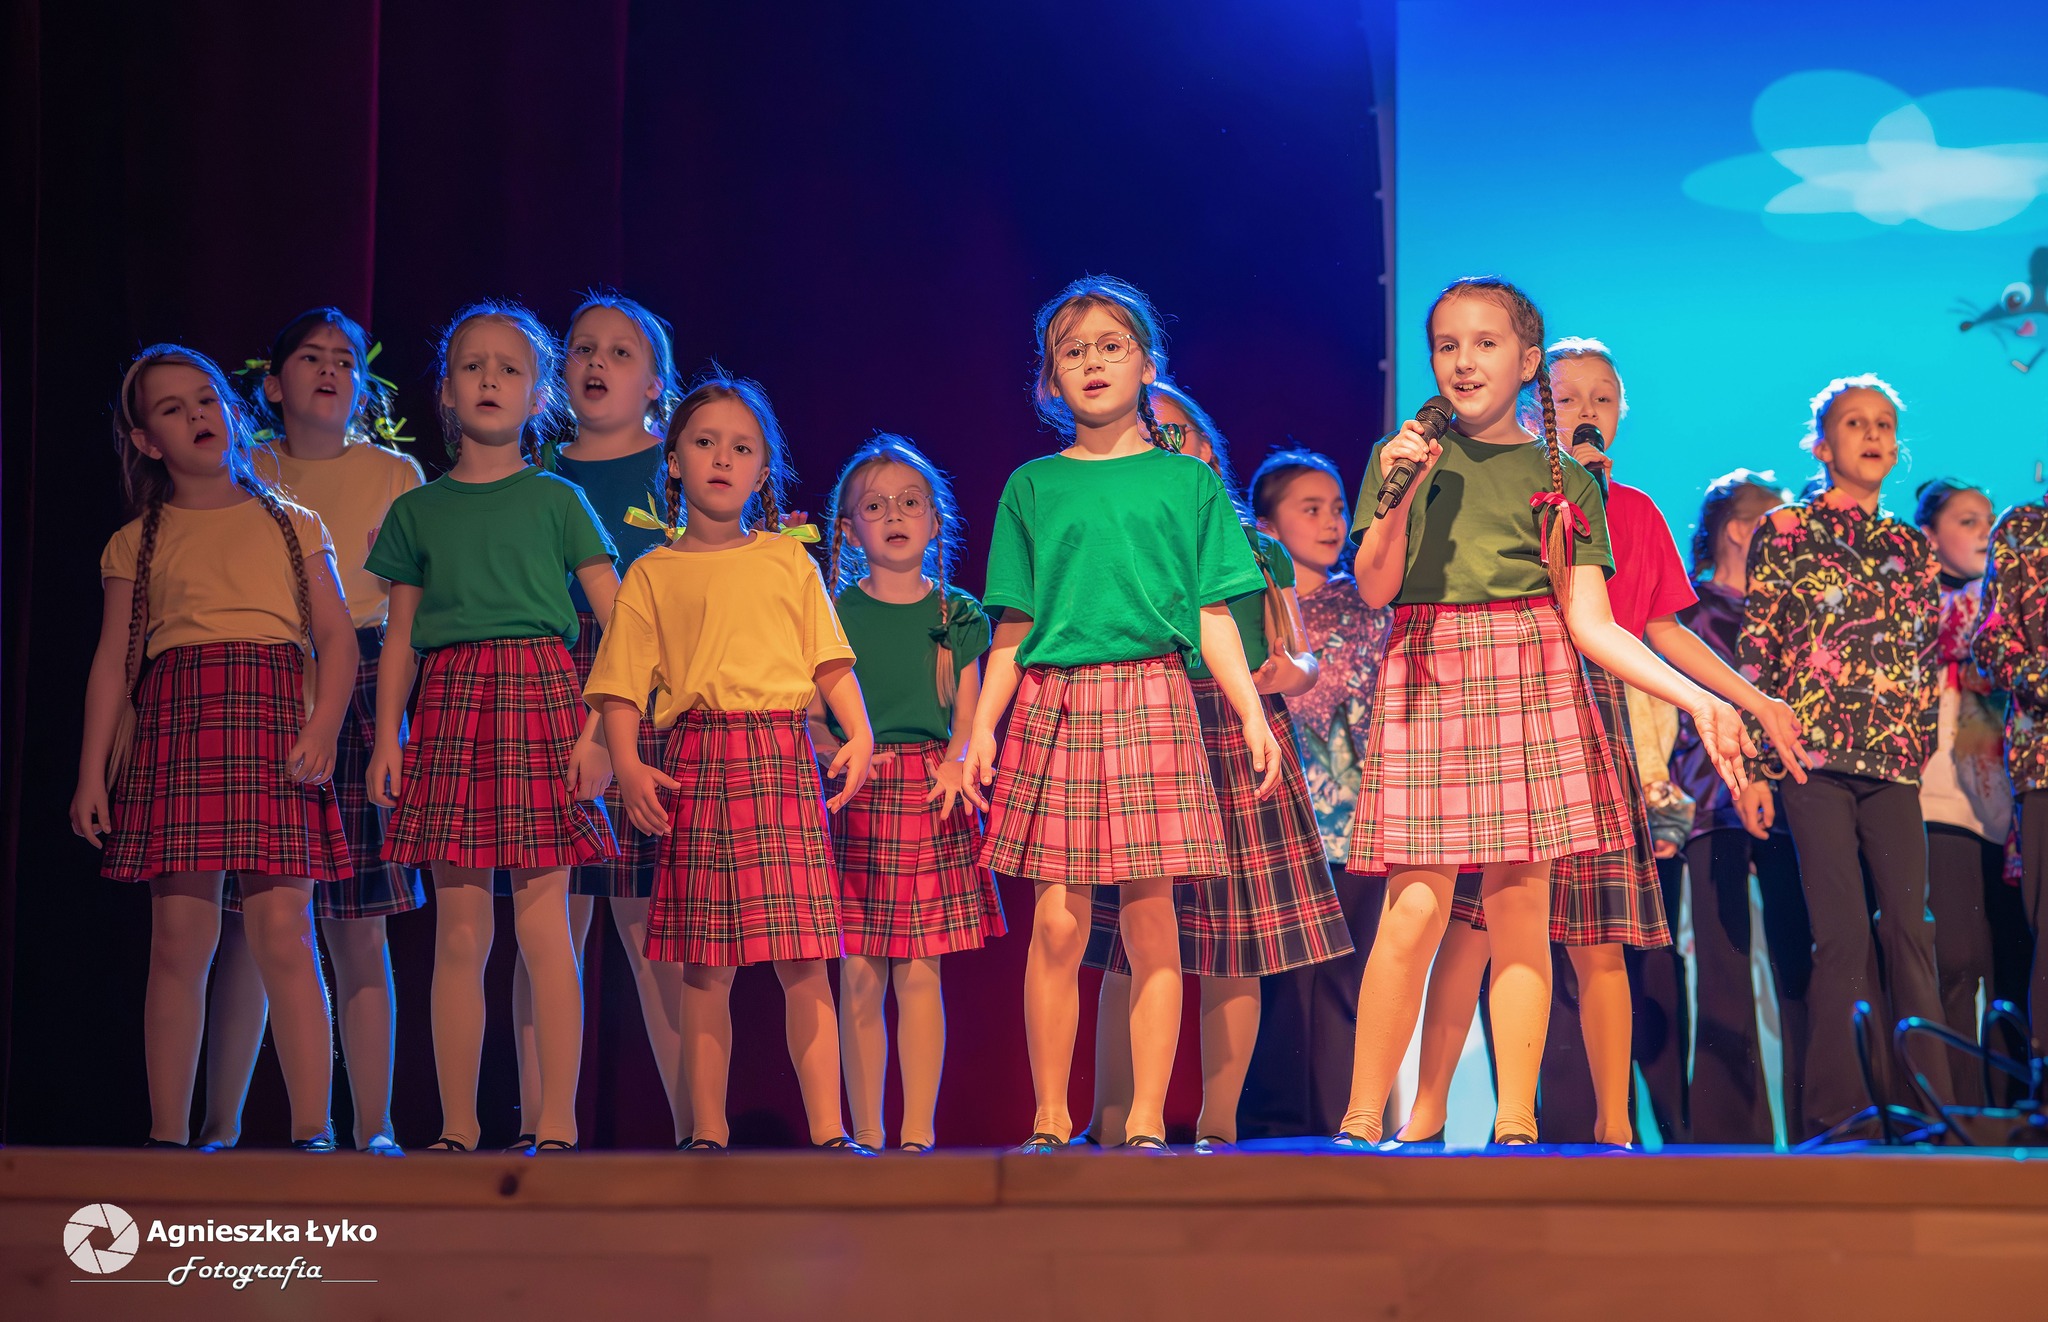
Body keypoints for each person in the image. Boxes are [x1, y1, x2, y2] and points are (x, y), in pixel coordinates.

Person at [961, 276, 1278, 1153]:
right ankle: (1049, 1116)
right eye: (1073, 351)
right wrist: (981, 726)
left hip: (1152, 696)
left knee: (1150, 921)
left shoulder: (1185, 482)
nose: (1093, 362)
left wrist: (1251, 713)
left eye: (1111, 346)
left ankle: (1143, 1120)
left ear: (1146, 364)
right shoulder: (1033, 486)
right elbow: (1013, 624)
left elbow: (1214, 614)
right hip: (1056, 704)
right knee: (1057, 923)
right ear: (1048, 379)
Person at [72, 344, 353, 1149]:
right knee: (178, 940)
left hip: (271, 722)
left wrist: (323, 726)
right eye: (172, 409)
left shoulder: (294, 523)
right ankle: (169, 1136)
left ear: (230, 411)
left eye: (205, 399)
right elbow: (114, 663)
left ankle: (312, 1130)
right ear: (146, 440)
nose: (197, 414)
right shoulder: (137, 542)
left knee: (284, 933)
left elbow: (336, 639)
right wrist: (92, 773)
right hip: (181, 727)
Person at [586, 373, 876, 1153]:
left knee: (804, 957)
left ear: (763, 470)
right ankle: (706, 1133)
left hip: (780, 760)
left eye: (741, 448)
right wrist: (628, 764)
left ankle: (829, 1132)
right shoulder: (653, 573)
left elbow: (829, 661)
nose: (722, 459)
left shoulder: (787, 561)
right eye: (706, 442)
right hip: (702, 760)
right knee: (704, 966)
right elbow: (620, 686)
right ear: (674, 459)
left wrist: (859, 732)